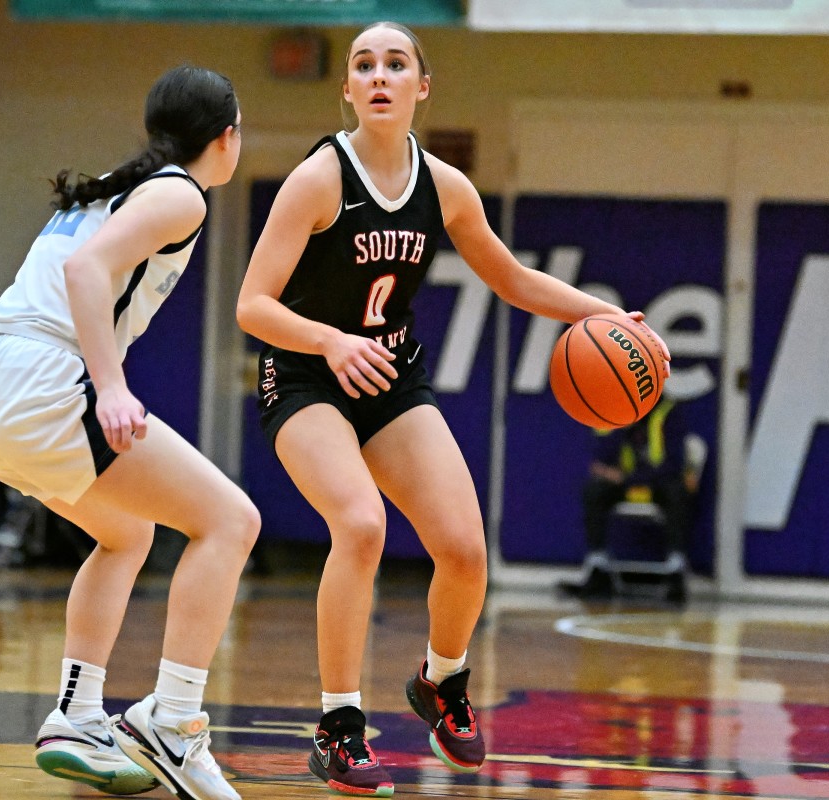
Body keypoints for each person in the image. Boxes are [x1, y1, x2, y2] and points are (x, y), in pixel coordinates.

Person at [236, 21, 670, 797]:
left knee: (466, 551)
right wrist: (331, 343)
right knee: (362, 525)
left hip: (392, 378)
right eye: (363, 65)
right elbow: (252, 305)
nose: (378, 75)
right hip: (306, 374)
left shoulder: (445, 186)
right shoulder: (319, 178)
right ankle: (339, 728)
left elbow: (514, 278)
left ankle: (441, 683)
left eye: (395, 64)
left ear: (421, 87)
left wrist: (608, 318)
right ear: (347, 90)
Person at [0, 65, 258, 800]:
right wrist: (112, 386)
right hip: (39, 380)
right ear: (225, 138)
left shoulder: (120, 183)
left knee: (127, 533)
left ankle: (76, 715)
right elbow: (88, 270)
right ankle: (175, 722)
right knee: (230, 521)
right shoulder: (179, 194)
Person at [560, 394, 699, 601]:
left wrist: (630, 478)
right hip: (626, 483)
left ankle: (675, 571)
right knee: (594, 490)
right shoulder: (616, 410)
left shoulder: (668, 411)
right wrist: (622, 427)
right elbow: (601, 460)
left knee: (677, 491)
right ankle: (598, 569)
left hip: (656, 483)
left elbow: (674, 465)